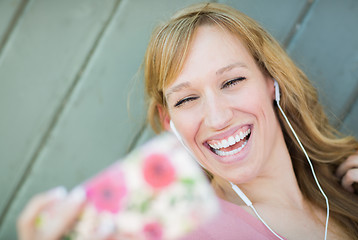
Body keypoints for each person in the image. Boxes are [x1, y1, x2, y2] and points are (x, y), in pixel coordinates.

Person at [17, 3, 358, 240]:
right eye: (187, 99)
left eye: (232, 82)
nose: (218, 116)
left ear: (272, 82)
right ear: (169, 121)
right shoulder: (186, 231)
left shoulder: (343, 185)